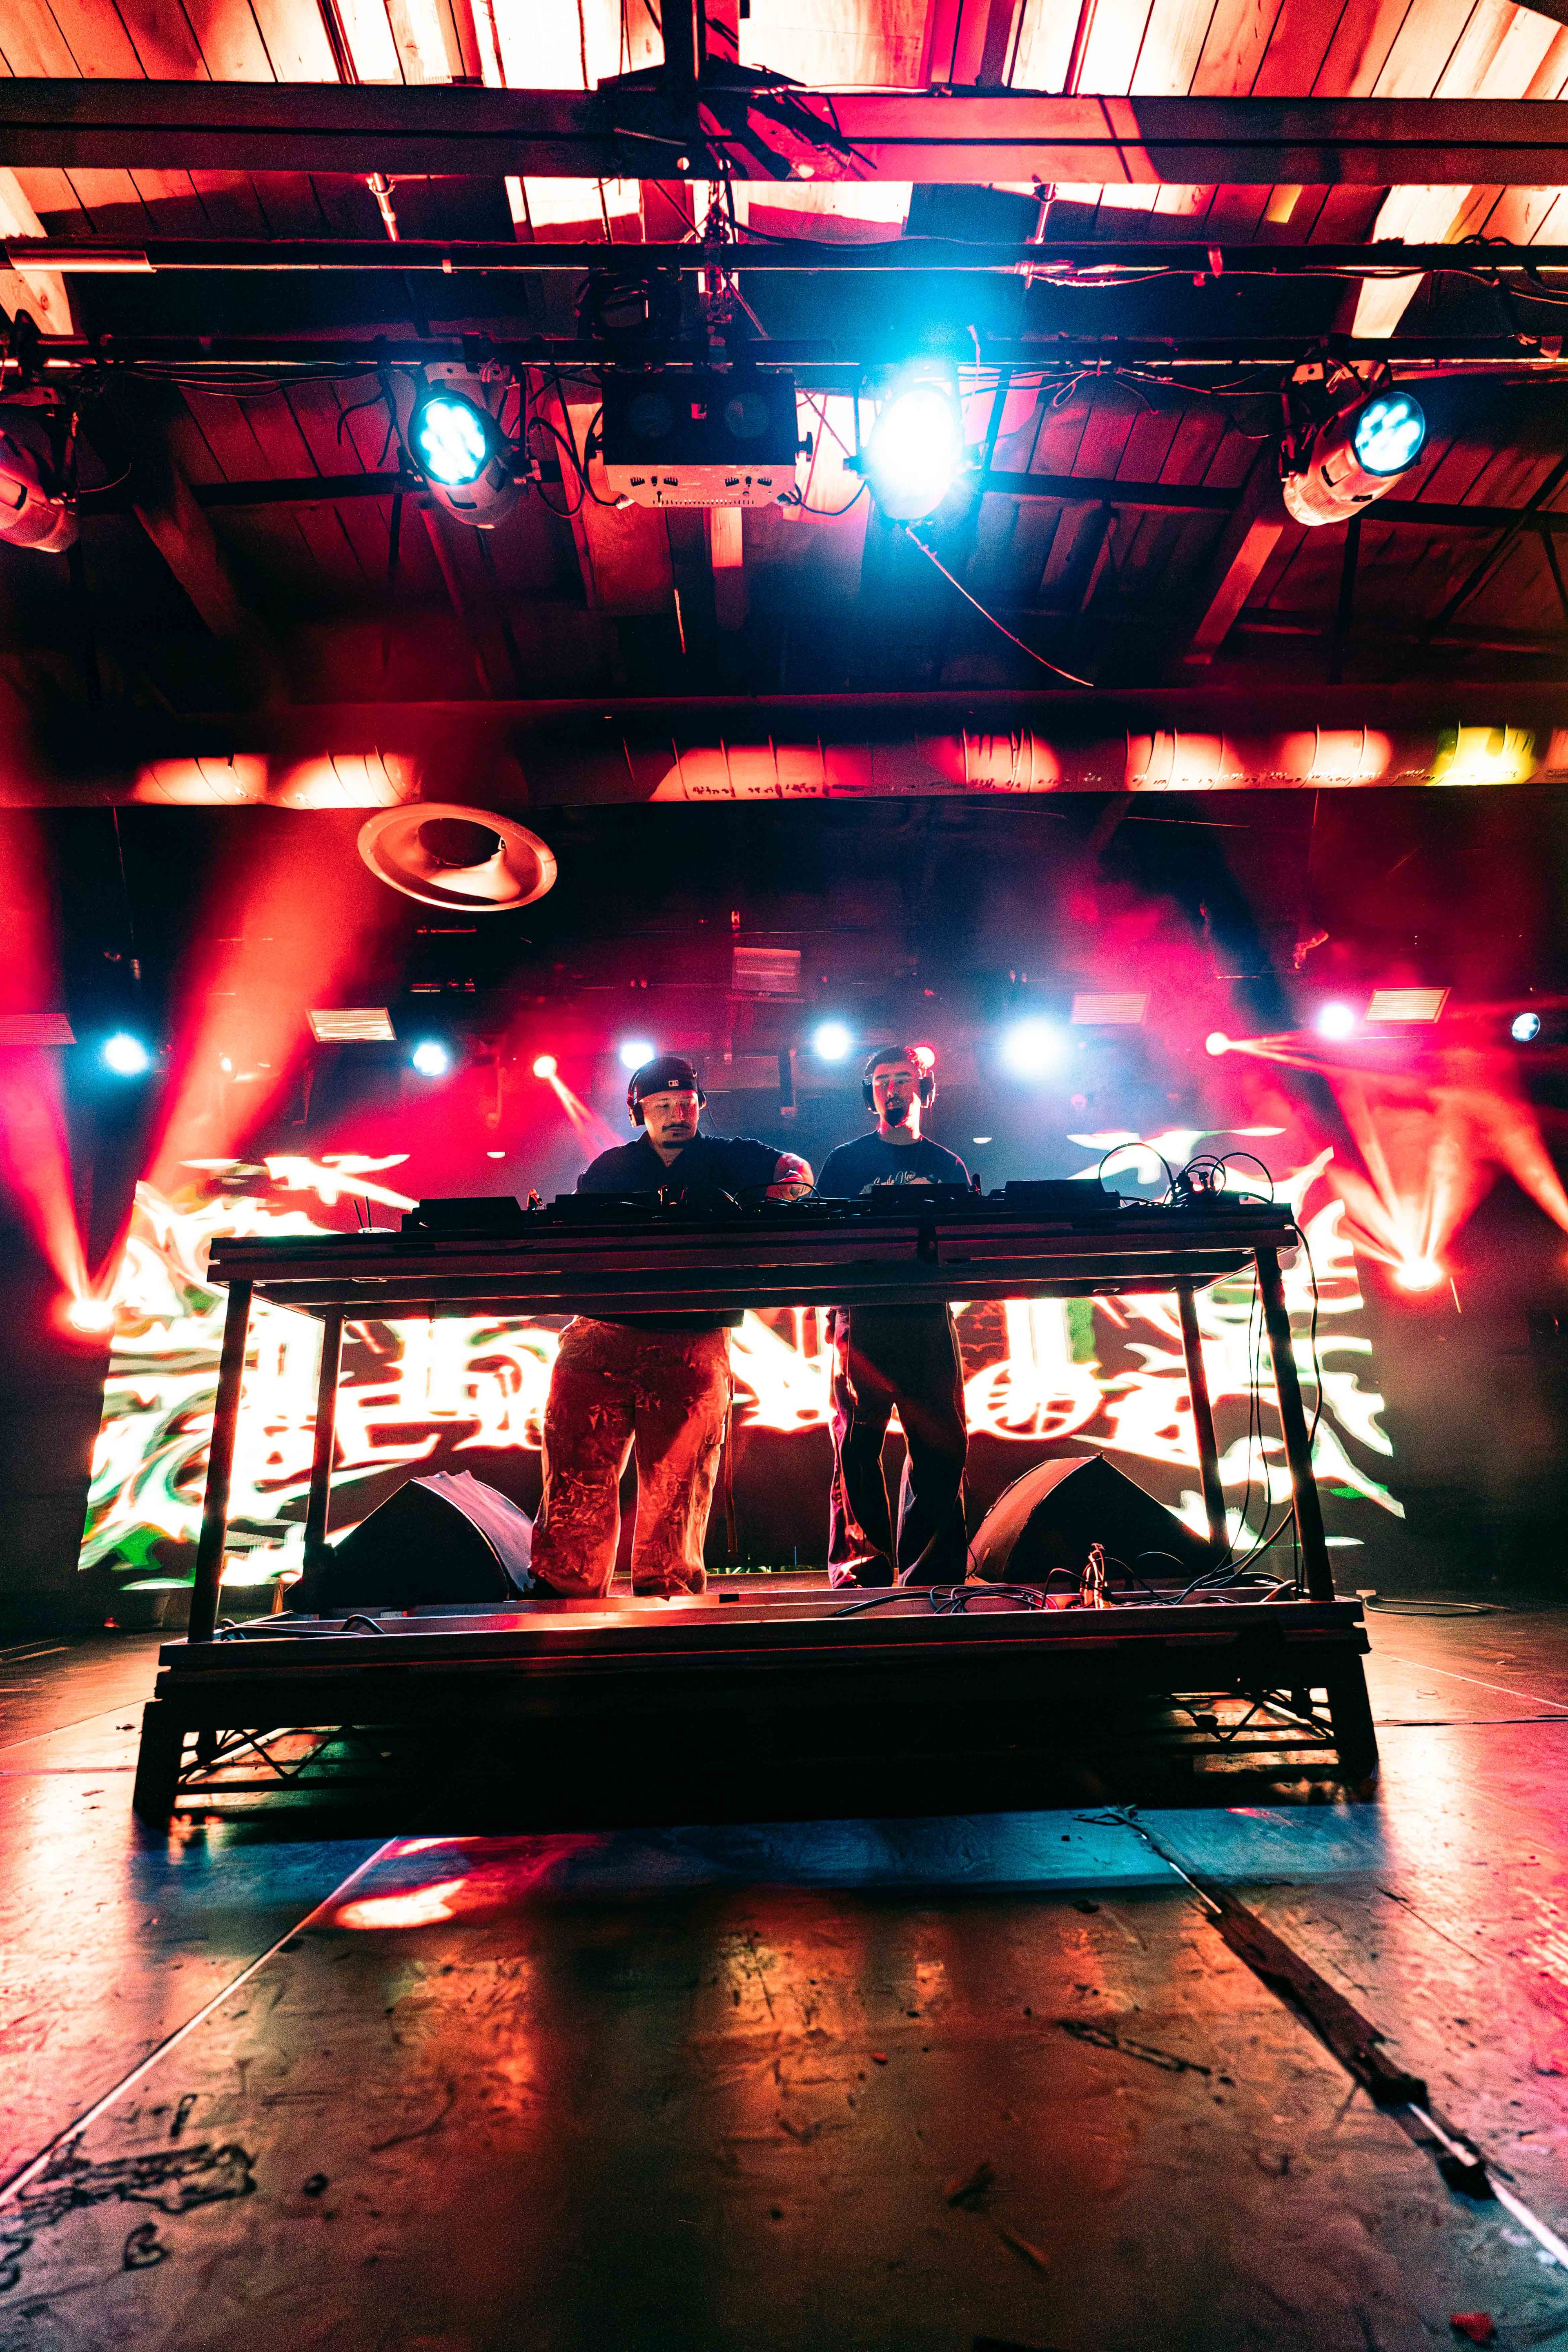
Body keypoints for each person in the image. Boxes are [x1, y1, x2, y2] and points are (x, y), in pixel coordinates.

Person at [529, 1054, 811, 1601]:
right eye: (662, 1106)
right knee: (577, 1478)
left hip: (690, 1337)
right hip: (605, 1333)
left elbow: (796, 1173)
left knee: (676, 1493)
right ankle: (566, 1599)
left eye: (685, 1104)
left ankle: (667, 1608)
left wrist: (779, 1201)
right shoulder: (610, 1168)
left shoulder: (734, 1158)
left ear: (700, 1105)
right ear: (640, 1112)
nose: (676, 1114)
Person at [815, 1045, 970, 1589]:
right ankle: (864, 1577)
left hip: (925, 1314)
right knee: (858, 1446)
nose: (892, 1089)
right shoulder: (844, 1163)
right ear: (870, 1095)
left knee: (942, 1445)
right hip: (861, 1314)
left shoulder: (948, 1165)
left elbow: (963, 1246)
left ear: (923, 1090)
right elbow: (820, 1240)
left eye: (903, 1079)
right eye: (882, 1081)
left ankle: (930, 1573)